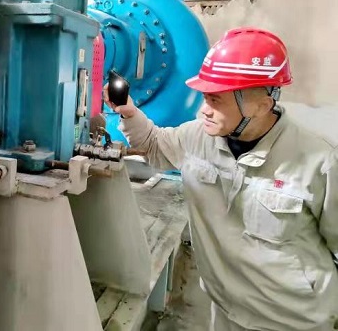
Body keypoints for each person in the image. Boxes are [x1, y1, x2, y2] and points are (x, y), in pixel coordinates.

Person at [105, 27, 338, 331]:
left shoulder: (319, 161)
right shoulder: (198, 137)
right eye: (205, 98)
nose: (204, 111)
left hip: (294, 321)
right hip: (226, 311)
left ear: (261, 106)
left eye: (215, 101)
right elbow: (154, 145)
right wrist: (128, 111)